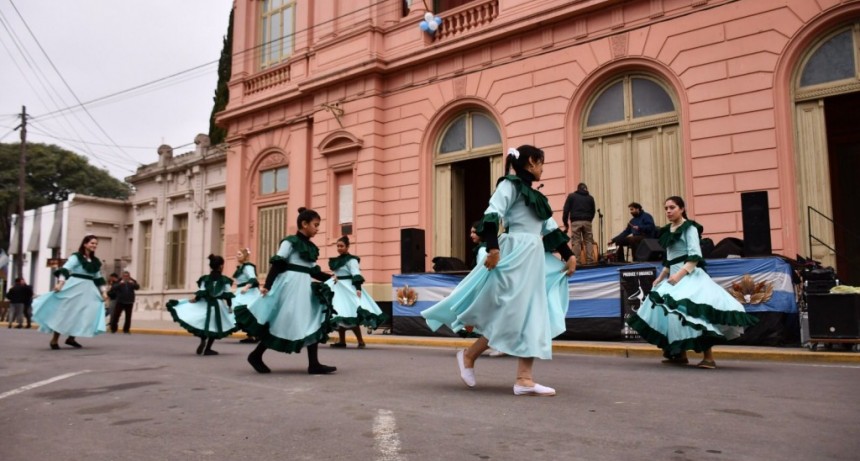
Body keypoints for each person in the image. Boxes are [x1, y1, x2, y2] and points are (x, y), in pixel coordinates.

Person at [422, 145, 577, 396]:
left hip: (534, 257)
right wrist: (493, 250)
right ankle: (469, 355)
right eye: (540, 163)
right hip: (514, 254)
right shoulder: (510, 185)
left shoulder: (535, 195)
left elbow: (550, 229)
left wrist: (569, 255)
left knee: (533, 314)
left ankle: (524, 379)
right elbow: (491, 216)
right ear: (530, 162)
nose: (542, 168)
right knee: (507, 312)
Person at [626, 196, 758, 368]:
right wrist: (661, 277)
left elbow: (694, 256)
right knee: (670, 313)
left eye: (672, 207)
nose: (668, 211)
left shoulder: (690, 228)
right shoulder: (668, 230)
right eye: (666, 208)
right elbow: (670, 259)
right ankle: (679, 353)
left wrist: (679, 275)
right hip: (674, 276)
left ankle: (708, 357)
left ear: (681, 209)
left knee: (695, 315)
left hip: (689, 276)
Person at [235, 207, 337, 375]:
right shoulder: (289, 241)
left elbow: (313, 271)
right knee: (281, 321)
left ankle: (314, 364)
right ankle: (256, 355)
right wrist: (267, 285)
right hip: (290, 287)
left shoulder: (310, 247)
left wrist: (330, 278)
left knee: (313, 318)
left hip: (303, 288)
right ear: (304, 224)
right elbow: (277, 263)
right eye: (315, 225)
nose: (317, 229)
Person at [32, 235, 109, 349]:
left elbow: (98, 277)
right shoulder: (76, 257)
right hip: (74, 286)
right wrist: (60, 283)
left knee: (85, 311)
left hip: (88, 289)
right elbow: (66, 269)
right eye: (92, 243)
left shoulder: (95, 261)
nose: (94, 245)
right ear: (85, 244)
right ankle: (54, 340)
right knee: (65, 312)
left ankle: (71, 338)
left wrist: (103, 292)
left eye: (96, 244)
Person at [166, 255, 237, 356]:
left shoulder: (205, 279)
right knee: (214, 327)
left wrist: (195, 299)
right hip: (218, 305)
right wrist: (229, 307)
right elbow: (228, 296)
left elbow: (201, 292)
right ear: (221, 266)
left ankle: (203, 339)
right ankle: (208, 348)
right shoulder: (225, 280)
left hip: (206, 303)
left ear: (211, 266)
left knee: (203, 323)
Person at [326, 236, 388, 349]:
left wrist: (358, 288)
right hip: (338, 288)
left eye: (342, 246)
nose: (339, 248)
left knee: (352, 314)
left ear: (347, 246)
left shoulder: (352, 260)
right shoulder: (336, 260)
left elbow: (355, 273)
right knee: (340, 314)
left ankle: (360, 341)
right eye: (338, 246)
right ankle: (342, 341)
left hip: (349, 288)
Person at [232, 248, 261, 344]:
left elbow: (253, 278)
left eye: (239, 254)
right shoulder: (241, 267)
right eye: (237, 254)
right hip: (241, 292)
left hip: (249, 293)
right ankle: (250, 334)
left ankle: (254, 334)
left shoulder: (248, 266)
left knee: (243, 312)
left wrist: (246, 287)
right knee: (239, 312)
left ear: (245, 256)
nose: (237, 256)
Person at [562, 182, 596, 265]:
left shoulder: (571, 196)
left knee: (576, 241)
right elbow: (593, 211)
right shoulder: (590, 198)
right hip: (587, 221)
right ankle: (590, 261)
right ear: (586, 189)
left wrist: (566, 223)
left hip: (575, 221)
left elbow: (566, 210)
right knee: (588, 241)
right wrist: (589, 220)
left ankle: (577, 262)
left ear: (578, 189)